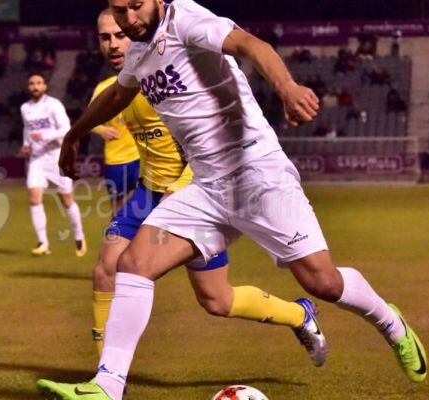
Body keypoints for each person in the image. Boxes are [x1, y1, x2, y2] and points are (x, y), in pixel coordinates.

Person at [38, 1, 426, 399]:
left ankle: (390, 322)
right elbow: (117, 96)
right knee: (134, 264)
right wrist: (74, 134)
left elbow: (249, 44)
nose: (128, 20)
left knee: (323, 282)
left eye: (135, 7)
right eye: (119, 12)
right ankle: (107, 387)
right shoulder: (139, 52)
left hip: (257, 173)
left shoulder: (185, 19)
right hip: (206, 186)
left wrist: (287, 87)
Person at [87, 7, 325, 364]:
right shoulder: (113, 88)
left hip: (192, 189)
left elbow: (201, 142)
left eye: (119, 36)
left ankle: (299, 315)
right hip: (147, 191)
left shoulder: (166, 70)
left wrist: (179, 191)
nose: (114, 44)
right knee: (107, 267)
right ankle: (106, 373)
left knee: (216, 300)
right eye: (106, 37)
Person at [20, 73, 87, 257]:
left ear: (45, 86)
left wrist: (45, 136)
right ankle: (43, 243)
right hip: (37, 159)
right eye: (32, 83)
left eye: (39, 83)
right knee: (34, 198)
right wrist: (26, 145)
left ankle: (79, 236)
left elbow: (66, 129)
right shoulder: (25, 108)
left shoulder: (54, 105)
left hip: (58, 156)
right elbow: (27, 129)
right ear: (28, 87)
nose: (35, 86)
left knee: (66, 200)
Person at [90, 78, 140, 214]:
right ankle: (116, 233)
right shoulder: (104, 86)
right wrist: (102, 130)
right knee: (119, 207)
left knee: (148, 203)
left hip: (143, 156)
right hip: (117, 159)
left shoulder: (144, 80)